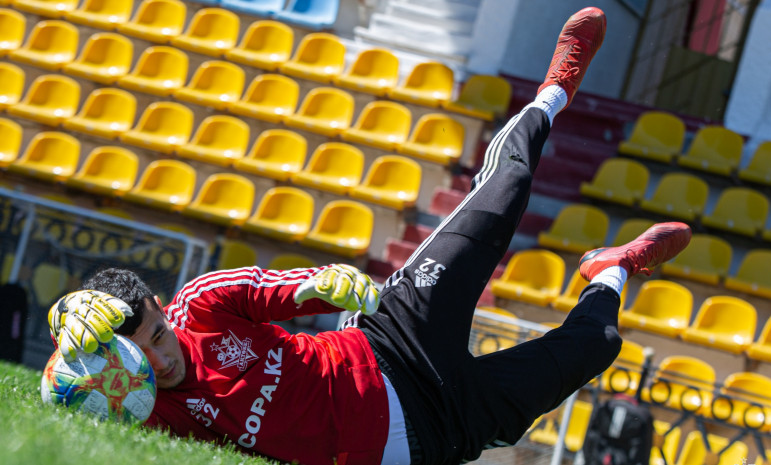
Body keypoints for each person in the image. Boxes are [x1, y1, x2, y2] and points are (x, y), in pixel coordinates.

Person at [47, 7, 692, 465]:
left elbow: (285, 291)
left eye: (156, 335)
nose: (158, 360)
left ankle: (553, 91)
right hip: (438, 436)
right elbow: (66, 394)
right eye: (140, 357)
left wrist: (328, 285)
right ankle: (614, 268)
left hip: (392, 338)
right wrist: (65, 324)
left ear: (163, 311)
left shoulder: (203, 305)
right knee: (598, 343)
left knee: (502, 198)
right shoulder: (141, 405)